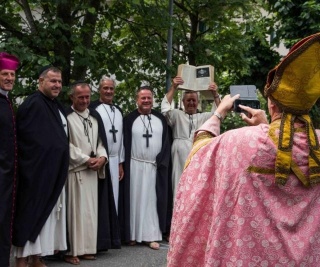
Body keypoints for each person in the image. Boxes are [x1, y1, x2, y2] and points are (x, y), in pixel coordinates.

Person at [167, 32, 320, 266]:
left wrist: (220, 112)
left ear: (271, 103)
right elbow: (284, 146)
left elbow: (200, 150)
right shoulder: (316, 144)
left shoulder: (242, 141)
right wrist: (267, 127)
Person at [13, 66, 69, 267]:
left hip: (52, 171)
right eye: (53, 81)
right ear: (41, 81)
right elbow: (27, 142)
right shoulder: (33, 104)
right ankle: (21, 259)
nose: (57, 85)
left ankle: (36, 257)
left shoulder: (55, 105)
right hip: (36, 173)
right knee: (30, 214)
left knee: (46, 217)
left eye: (60, 82)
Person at [64, 81, 119, 264]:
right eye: (80, 97)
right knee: (75, 213)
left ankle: (87, 248)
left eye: (87, 97)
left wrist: (102, 158)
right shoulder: (66, 117)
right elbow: (66, 145)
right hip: (76, 171)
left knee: (89, 213)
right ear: (72, 97)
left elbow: (101, 143)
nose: (85, 100)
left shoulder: (94, 116)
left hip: (93, 172)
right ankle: (72, 250)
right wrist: (85, 159)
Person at [119, 86, 170, 250]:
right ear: (137, 100)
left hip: (154, 167)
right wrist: (123, 164)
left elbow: (166, 143)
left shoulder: (160, 119)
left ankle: (150, 235)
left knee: (151, 201)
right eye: (143, 98)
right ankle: (133, 235)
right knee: (134, 199)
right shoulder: (129, 119)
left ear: (152, 99)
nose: (146, 101)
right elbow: (123, 143)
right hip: (135, 165)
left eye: (149, 98)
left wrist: (161, 162)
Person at [161, 77, 220, 197]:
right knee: (178, 185)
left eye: (194, 100)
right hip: (179, 154)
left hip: (197, 153)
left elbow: (219, 113)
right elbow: (165, 110)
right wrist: (174, 87)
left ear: (198, 102)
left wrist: (215, 94)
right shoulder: (177, 115)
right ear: (183, 102)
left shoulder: (203, 117)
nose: (191, 103)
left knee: (196, 185)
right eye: (188, 100)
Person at [90, 76, 125, 213]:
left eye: (111, 88)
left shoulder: (118, 111)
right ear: (99, 90)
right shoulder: (93, 108)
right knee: (101, 198)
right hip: (100, 160)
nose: (109, 91)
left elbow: (121, 138)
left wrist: (120, 162)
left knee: (115, 196)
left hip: (115, 160)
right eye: (105, 88)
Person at [0, 52, 19, 267]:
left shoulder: (7, 100)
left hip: (7, 175)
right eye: (5, 74)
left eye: (12, 74)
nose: (9, 78)